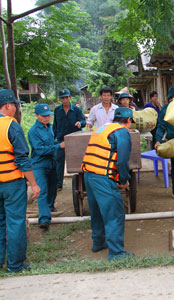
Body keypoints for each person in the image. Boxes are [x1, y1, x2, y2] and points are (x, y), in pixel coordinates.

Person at [0, 89, 40, 273]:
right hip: (11, 183)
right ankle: (15, 265)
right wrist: (33, 183)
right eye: (15, 105)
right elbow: (23, 158)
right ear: (8, 106)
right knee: (15, 222)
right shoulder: (11, 125)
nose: (16, 108)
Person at [81, 107, 134, 260]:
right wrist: (123, 180)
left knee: (96, 212)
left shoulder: (103, 128)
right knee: (114, 213)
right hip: (102, 178)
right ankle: (116, 253)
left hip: (89, 175)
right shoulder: (122, 132)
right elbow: (122, 160)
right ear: (128, 120)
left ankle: (98, 242)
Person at [29, 104, 65, 230]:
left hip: (51, 162)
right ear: (37, 116)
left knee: (52, 187)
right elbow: (40, 150)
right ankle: (44, 219)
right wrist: (58, 146)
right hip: (39, 164)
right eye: (43, 116)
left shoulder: (49, 127)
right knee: (42, 191)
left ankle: (49, 207)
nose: (46, 118)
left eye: (48, 115)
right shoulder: (33, 131)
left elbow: (51, 143)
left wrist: (58, 144)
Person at [53, 88, 86, 192]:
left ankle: (83, 183)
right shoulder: (57, 110)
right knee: (59, 161)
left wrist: (80, 123)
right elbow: (55, 125)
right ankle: (58, 184)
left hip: (75, 139)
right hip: (61, 139)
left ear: (70, 97)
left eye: (67, 97)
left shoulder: (76, 110)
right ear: (60, 99)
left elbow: (83, 121)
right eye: (63, 98)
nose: (65, 99)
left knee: (79, 161)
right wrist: (53, 137)